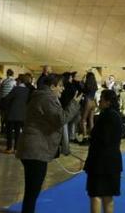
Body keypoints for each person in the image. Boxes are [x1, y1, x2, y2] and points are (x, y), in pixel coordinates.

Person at [16, 73, 82, 213]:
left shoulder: (42, 96)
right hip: (35, 149)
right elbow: (60, 119)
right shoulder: (47, 99)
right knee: (32, 191)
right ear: (52, 87)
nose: (62, 89)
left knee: (32, 190)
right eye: (60, 86)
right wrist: (74, 104)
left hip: (33, 148)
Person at [84, 89, 123, 213]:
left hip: (100, 163)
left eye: (101, 98)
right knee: (108, 196)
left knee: (96, 195)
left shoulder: (106, 116)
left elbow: (102, 139)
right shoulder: (116, 115)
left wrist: (91, 129)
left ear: (108, 102)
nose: (99, 101)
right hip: (113, 162)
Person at [3, 74, 32, 154]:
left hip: (12, 113)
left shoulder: (16, 89)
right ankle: (16, 148)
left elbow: (7, 98)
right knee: (17, 132)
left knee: (9, 131)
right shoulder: (27, 90)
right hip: (22, 114)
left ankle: (9, 148)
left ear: (19, 80)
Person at [80, 72, 99, 144]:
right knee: (91, 120)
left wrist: (82, 80)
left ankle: (85, 138)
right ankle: (92, 137)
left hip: (87, 100)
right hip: (93, 101)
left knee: (83, 120)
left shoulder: (87, 83)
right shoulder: (95, 84)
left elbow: (83, 89)